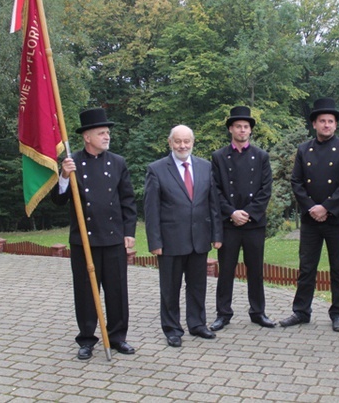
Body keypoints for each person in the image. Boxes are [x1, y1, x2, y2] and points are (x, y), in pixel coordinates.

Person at [52, 107, 137, 360]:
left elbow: (128, 201)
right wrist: (64, 176)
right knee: (86, 292)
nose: (106, 136)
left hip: (113, 238)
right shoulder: (71, 162)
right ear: (87, 137)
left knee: (117, 291)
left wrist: (129, 232)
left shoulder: (118, 162)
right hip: (84, 240)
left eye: (107, 132)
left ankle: (118, 337)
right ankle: (87, 339)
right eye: (101, 133)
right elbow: (58, 200)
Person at [280, 98, 339, 332]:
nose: (326, 125)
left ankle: (338, 313)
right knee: (306, 267)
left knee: (338, 269)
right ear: (314, 123)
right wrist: (311, 208)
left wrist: (326, 207)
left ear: (335, 125)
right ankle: (301, 311)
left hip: (336, 219)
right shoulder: (304, 149)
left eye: (330, 121)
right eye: (322, 121)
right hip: (310, 219)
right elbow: (296, 181)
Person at [144, 125, 223, 347]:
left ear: (193, 142)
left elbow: (213, 204)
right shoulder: (156, 169)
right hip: (170, 241)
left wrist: (217, 234)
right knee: (170, 288)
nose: (182, 146)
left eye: (187, 141)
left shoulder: (205, 167)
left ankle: (197, 325)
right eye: (178, 141)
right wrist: (155, 241)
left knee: (198, 285)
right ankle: (172, 329)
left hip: (199, 239)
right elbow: (151, 210)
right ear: (170, 143)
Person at [210, 106, 275, 332]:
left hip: (254, 223)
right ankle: (223, 313)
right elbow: (215, 189)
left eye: (246, 126)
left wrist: (248, 214)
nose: (242, 130)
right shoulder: (218, 156)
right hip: (229, 223)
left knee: (255, 270)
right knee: (226, 270)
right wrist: (232, 213)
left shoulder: (261, 156)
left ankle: (258, 312)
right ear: (231, 129)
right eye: (238, 126)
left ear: (250, 130)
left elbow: (266, 190)